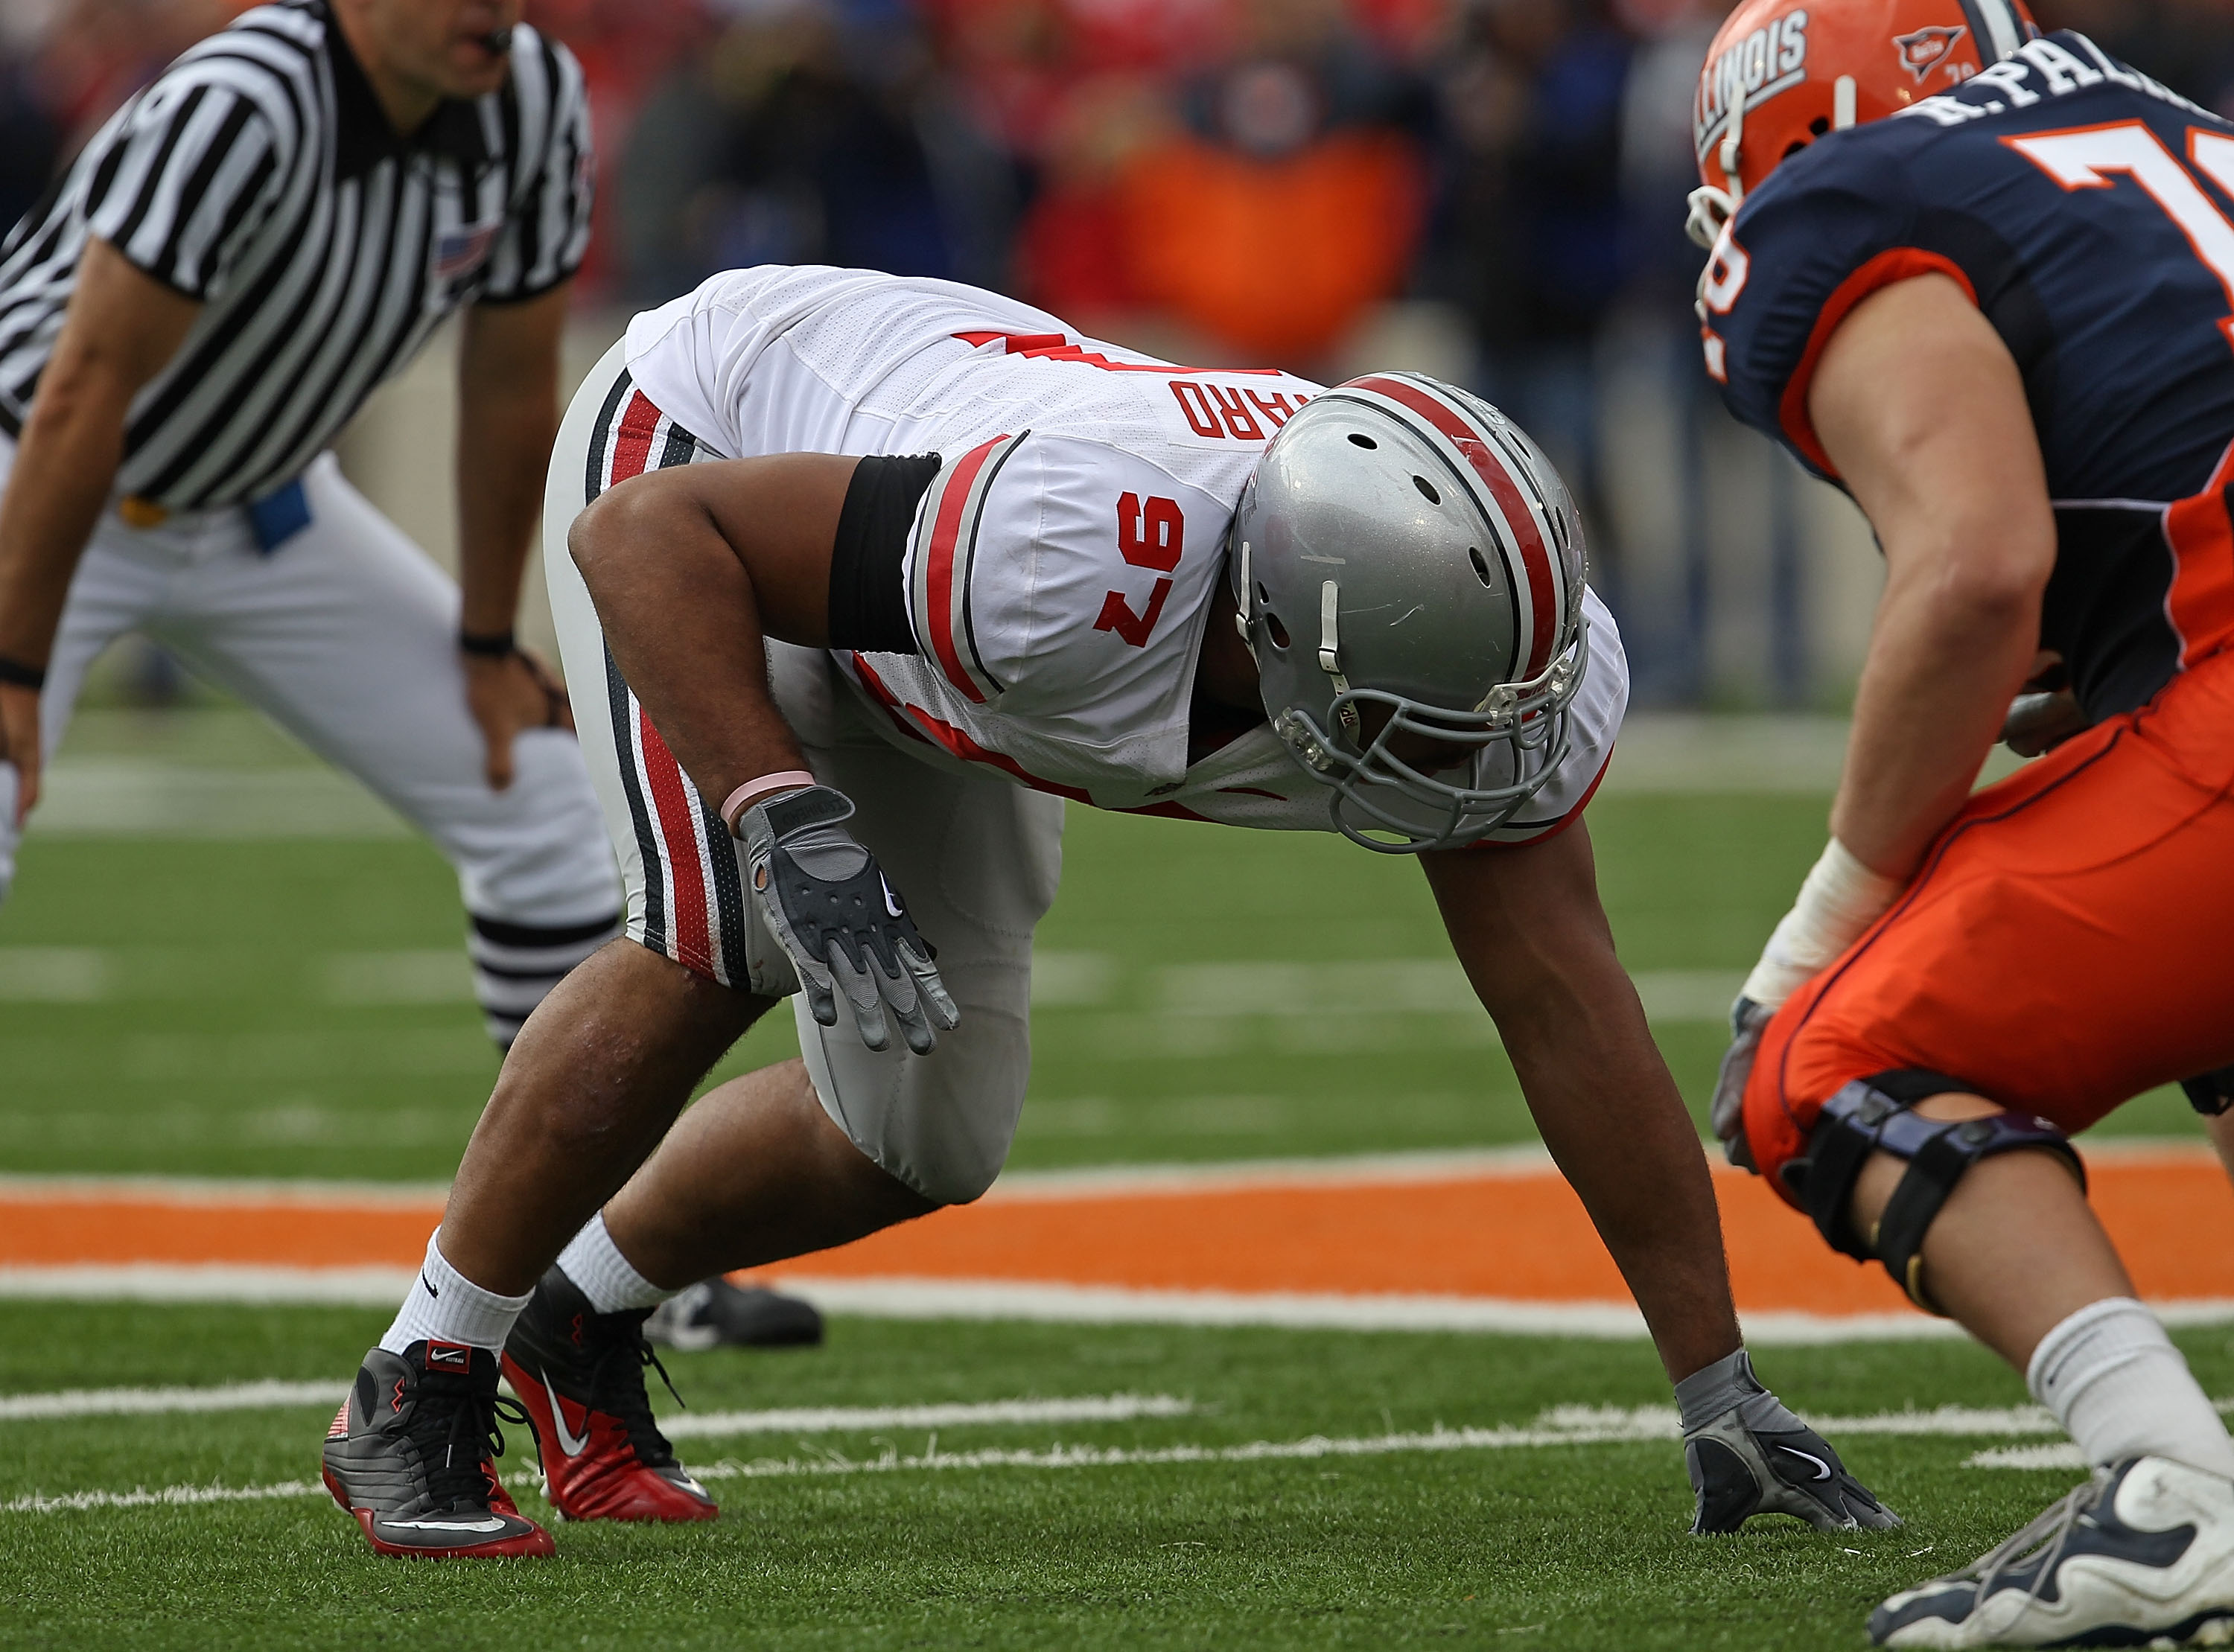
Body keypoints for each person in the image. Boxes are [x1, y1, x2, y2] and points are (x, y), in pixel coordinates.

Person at [318, 263, 1895, 1558]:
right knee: (726, 932)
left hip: (924, 617)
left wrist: (1718, 1387)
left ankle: (581, 1316)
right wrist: (776, 807)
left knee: (929, 1129)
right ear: (1275, 626)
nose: (1459, 771)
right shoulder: (1070, 555)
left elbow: (1565, 999)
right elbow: (644, 542)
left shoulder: (1491, 657)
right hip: (710, 462)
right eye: (1421, 726)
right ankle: (419, 1379)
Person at [1690, 0, 2234, 1642]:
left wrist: (1824, 923)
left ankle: (2172, 1493)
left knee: (1829, 1061)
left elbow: (1979, 568)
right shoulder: (2180, 129)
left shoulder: (1842, 200)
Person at [0, 0, 620, 1046]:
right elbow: (84, 390)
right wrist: (12, 671)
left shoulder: (534, 98)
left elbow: (512, 386)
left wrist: (483, 640)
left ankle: (564, 1208)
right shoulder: (240, 106)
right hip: (36, 472)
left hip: (261, 507)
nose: (497, 11)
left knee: (551, 814)